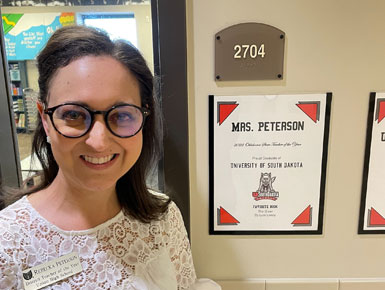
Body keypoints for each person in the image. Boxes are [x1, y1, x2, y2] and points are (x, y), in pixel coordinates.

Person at [0, 25, 220, 290]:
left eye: (122, 115)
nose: (99, 141)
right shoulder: (8, 243)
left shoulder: (163, 218)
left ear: (144, 117)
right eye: (74, 115)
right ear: (45, 119)